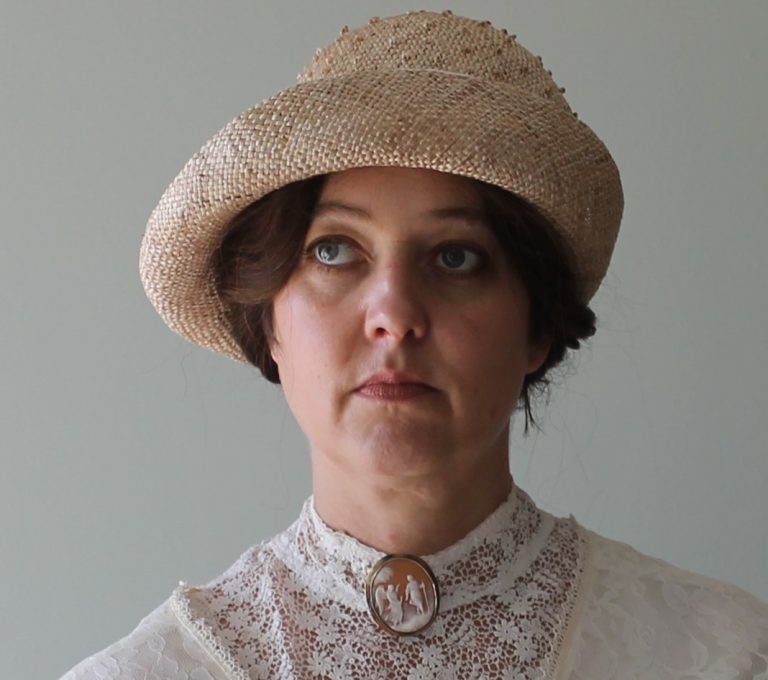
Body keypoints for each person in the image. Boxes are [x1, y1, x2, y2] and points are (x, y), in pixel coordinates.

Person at [61, 10, 767, 679]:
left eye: (456, 257)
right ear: (270, 322)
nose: (394, 316)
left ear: (538, 326)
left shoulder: (723, 655)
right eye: (334, 250)